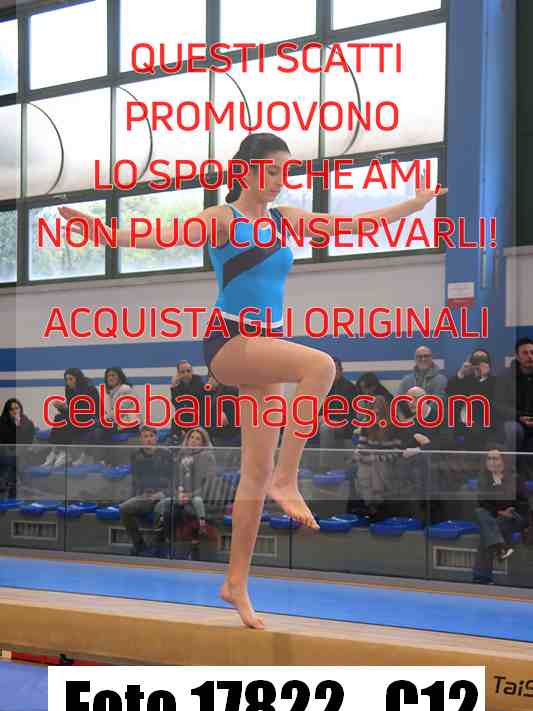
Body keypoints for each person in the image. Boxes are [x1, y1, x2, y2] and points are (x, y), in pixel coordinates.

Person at [58, 131, 446, 628]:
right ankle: (290, 478)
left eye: (286, 171)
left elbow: (354, 225)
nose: (281, 179)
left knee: (255, 474)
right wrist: (98, 229)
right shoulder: (223, 219)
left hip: (266, 348)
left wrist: (415, 204)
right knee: (321, 366)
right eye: (273, 170)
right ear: (246, 170)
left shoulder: (286, 220)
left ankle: (235, 583)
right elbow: (160, 235)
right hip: (230, 343)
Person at [155, 427, 216, 559]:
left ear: (203, 443)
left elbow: (208, 484)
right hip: (181, 495)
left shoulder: (208, 457)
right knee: (168, 509)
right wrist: (178, 492)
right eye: (191, 437)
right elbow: (175, 479)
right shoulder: (181, 455)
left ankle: (194, 548)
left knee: (188, 511)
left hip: (200, 496)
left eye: (198, 439)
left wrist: (191, 495)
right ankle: (168, 545)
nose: (193, 441)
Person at [472, 448, 529, 584]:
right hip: (495, 517)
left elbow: (523, 504)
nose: (491, 461)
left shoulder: (515, 478)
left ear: (504, 461)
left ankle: (481, 577)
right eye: (489, 458)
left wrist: (507, 510)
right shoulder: (483, 479)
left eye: (495, 458)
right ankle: (501, 548)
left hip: (514, 516)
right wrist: (499, 511)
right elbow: (482, 503)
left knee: (487, 531)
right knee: (480, 513)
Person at [119, 426, 172, 556]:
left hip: (163, 494)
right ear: (141, 439)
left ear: (156, 438)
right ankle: (139, 545)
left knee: (160, 508)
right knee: (124, 508)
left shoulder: (166, 454)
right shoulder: (136, 455)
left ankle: (159, 547)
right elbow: (136, 479)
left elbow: (174, 479)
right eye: (145, 437)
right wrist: (139, 494)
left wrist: (162, 493)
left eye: (151, 436)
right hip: (145, 496)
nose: (149, 439)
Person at [40, 368, 99, 467]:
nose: (68, 382)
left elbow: (87, 411)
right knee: (59, 417)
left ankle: (62, 452)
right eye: (66, 379)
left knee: (63, 420)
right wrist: (62, 408)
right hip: (76, 417)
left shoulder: (90, 389)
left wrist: (67, 410)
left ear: (78, 378)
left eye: (71, 379)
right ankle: (57, 451)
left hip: (90, 418)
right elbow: (72, 410)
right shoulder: (68, 389)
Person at [446, 348, 500, 450]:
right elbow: (450, 391)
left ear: (488, 364)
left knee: (474, 432)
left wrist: (483, 377)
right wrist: (461, 373)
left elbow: (482, 400)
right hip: (459, 422)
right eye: (476, 360)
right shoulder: (463, 379)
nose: (479, 363)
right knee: (451, 435)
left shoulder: (494, 381)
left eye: (483, 360)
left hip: (481, 422)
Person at [0, 398, 35, 498]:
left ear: (20, 409)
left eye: (17, 408)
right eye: (11, 409)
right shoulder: (2, 422)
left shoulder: (27, 423)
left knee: (18, 461)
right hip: (5, 455)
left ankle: (28, 496)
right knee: (12, 463)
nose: (15, 411)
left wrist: (18, 425)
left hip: (21, 455)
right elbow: (4, 440)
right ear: (7, 411)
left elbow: (27, 441)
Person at [170, 361, 206, 443]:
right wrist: (173, 386)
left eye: (188, 371)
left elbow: (189, 400)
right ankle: (175, 441)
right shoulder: (178, 387)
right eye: (182, 372)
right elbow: (177, 405)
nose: (186, 374)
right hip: (186, 420)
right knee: (175, 421)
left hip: (199, 420)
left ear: (192, 371)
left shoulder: (199, 383)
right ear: (178, 374)